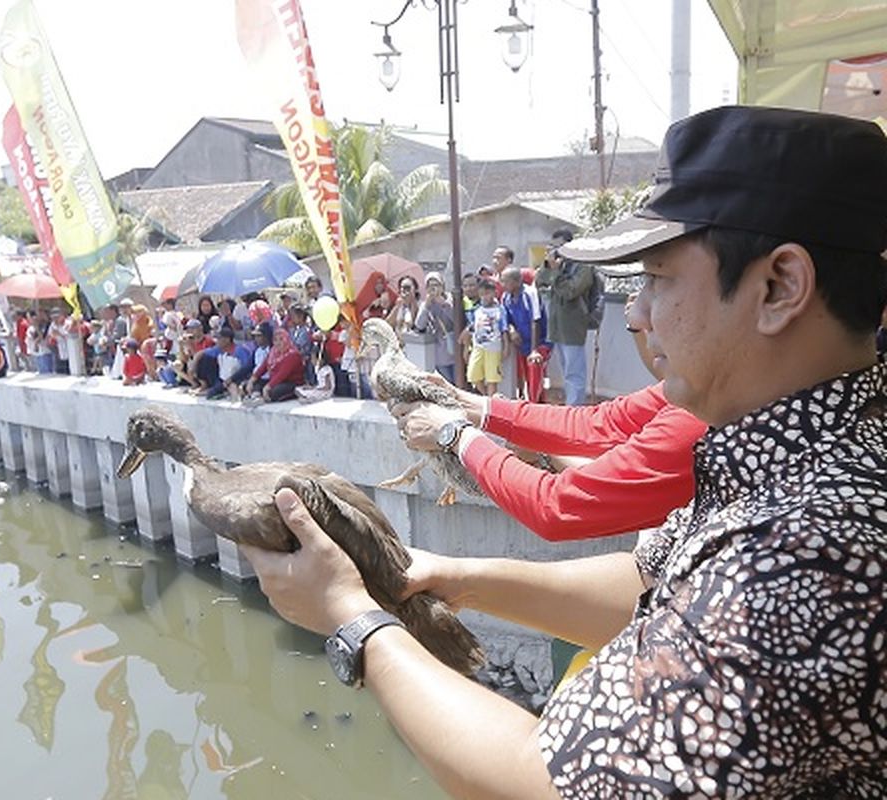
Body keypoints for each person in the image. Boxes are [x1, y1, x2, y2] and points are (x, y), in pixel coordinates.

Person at [242, 106, 887, 798]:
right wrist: (449, 574)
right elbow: (649, 582)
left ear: (779, 286)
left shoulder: (814, 551)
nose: (637, 313)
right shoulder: (791, 451)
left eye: (660, 277)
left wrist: (350, 617)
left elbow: (548, 783)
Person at [535, 229, 593, 405]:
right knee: (565, 371)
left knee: (574, 372)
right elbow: (539, 281)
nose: (557, 251)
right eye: (554, 247)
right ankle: (571, 405)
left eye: (559, 246)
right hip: (556, 326)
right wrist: (547, 266)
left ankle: (575, 409)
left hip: (572, 325)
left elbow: (570, 291)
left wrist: (556, 273)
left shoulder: (582, 266)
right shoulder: (556, 266)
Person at [500, 266, 549, 401]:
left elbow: (535, 320)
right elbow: (505, 318)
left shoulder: (530, 293)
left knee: (535, 371)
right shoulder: (506, 297)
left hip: (539, 342)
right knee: (523, 375)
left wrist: (534, 350)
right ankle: (529, 400)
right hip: (521, 343)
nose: (502, 285)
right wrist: (511, 330)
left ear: (517, 281)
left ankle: (535, 405)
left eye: (505, 281)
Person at [463, 277, 505, 396]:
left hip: (493, 348)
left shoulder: (500, 309)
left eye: (487, 294)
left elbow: (504, 329)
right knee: (472, 376)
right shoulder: (477, 310)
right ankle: (486, 395)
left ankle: (491, 402)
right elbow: (472, 329)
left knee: (492, 379)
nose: (484, 297)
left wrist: (505, 347)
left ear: (494, 293)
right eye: (482, 294)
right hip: (478, 347)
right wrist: (467, 347)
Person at [414, 272, 456, 384]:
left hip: (454, 347)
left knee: (459, 382)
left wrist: (444, 304)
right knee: (447, 384)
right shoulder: (426, 303)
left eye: (436, 285)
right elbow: (419, 325)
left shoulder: (450, 299)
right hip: (439, 351)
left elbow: (457, 320)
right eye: (430, 286)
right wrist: (426, 306)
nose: (434, 288)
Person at [244, 327, 304, 404]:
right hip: (276, 381)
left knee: (273, 392)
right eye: (275, 340)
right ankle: (256, 396)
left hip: (291, 382)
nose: (278, 343)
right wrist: (252, 380)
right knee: (249, 384)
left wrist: (268, 386)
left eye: (281, 339)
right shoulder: (273, 351)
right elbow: (263, 367)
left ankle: (262, 396)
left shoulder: (293, 354)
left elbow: (282, 374)